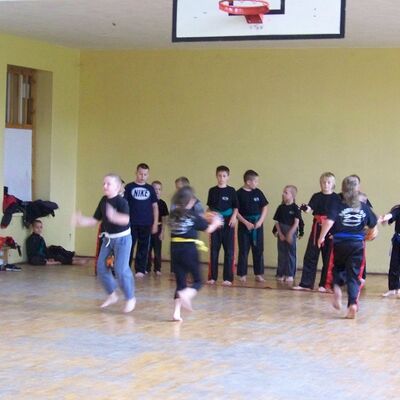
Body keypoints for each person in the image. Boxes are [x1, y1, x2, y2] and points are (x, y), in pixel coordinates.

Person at [73, 173, 136, 313]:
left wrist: (114, 216)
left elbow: (126, 220)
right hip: (108, 239)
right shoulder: (103, 200)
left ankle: (130, 298)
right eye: (104, 183)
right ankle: (112, 294)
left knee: (120, 270)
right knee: (101, 268)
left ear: (117, 187)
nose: (105, 186)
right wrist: (81, 221)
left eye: (108, 184)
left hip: (123, 239)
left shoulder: (121, 202)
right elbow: (95, 220)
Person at [317, 176, 377, 319]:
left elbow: (329, 222)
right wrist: (371, 232)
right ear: (358, 189)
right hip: (357, 245)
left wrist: (321, 237)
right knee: (353, 276)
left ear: (342, 189)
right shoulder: (363, 207)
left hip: (340, 244)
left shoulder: (337, 204)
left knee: (337, 269)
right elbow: (373, 223)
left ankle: (337, 289)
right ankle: (352, 304)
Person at [169, 186, 223, 321]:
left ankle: (176, 313)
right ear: (190, 201)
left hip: (175, 250)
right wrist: (216, 222)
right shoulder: (192, 216)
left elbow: (190, 222)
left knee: (180, 283)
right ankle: (187, 295)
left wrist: (203, 217)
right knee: (198, 280)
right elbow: (208, 229)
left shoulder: (173, 215)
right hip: (189, 250)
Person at [293, 172, 340, 292]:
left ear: (333, 184)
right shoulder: (316, 196)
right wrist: (305, 208)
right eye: (323, 182)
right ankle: (306, 284)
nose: (326, 184)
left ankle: (325, 285)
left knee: (328, 257)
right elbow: (310, 208)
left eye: (329, 182)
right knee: (310, 255)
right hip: (317, 228)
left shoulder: (336, 198)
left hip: (330, 229)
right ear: (320, 183)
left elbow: (336, 216)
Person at [124, 163, 159, 278]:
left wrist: (155, 223)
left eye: (145, 174)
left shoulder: (150, 189)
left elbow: (155, 207)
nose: (142, 176)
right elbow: (124, 205)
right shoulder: (129, 187)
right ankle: (125, 268)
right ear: (136, 173)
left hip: (146, 223)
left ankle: (140, 269)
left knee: (143, 247)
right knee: (129, 246)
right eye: (140, 174)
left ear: (148, 175)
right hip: (131, 223)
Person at [206, 165, 238, 286]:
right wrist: (209, 218)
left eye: (224, 176)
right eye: (219, 176)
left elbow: (236, 207)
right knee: (214, 250)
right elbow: (209, 208)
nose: (221, 178)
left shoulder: (231, 191)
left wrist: (234, 217)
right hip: (215, 222)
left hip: (228, 222)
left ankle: (228, 278)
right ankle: (212, 277)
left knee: (229, 251)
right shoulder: (212, 191)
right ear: (216, 176)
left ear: (228, 177)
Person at [236, 169, 269, 282]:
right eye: (255, 181)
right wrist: (245, 222)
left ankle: (259, 274)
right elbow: (236, 211)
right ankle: (242, 274)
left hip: (257, 224)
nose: (257, 183)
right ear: (248, 182)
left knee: (258, 249)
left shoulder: (258, 192)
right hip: (244, 225)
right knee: (244, 250)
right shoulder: (238, 194)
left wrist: (260, 221)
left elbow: (265, 207)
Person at [273, 185, 301, 283]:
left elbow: (296, 223)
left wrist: (290, 234)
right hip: (281, 231)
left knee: (290, 254)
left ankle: (290, 274)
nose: (283, 194)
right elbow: (277, 222)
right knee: (281, 253)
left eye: (286, 192)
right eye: (283, 192)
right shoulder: (280, 207)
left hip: (291, 231)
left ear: (292, 195)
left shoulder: (296, 208)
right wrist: (280, 233)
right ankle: (281, 273)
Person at [147, 180, 169, 275]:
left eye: (159, 189)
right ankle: (146, 267)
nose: (156, 191)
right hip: (147, 227)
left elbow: (164, 219)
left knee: (157, 249)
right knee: (147, 248)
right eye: (154, 189)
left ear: (161, 191)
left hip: (158, 228)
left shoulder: (162, 203)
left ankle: (157, 268)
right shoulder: (147, 202)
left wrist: (162, 232)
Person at [378, 205, 400, 297]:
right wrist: (383, 218)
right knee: (394, 265)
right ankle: (393, 289)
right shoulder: (398, 210)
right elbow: (391, 215)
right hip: (398, 241)